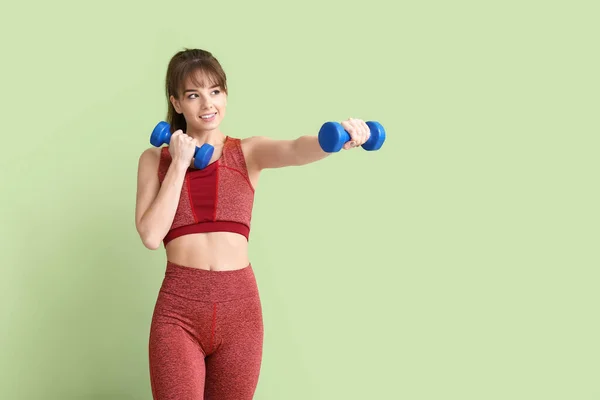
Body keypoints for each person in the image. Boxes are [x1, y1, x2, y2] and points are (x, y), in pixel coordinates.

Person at [134, 48, 372, 400]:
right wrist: (180, 164)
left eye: (215, 91)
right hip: (180, 310)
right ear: (177, 102)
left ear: (226, 95)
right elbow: (152, 235)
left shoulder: (247, 152)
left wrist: (339, 139)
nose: (207, 103)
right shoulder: (155, 159)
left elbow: (294, 149)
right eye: (193, 94)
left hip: (240, 310)